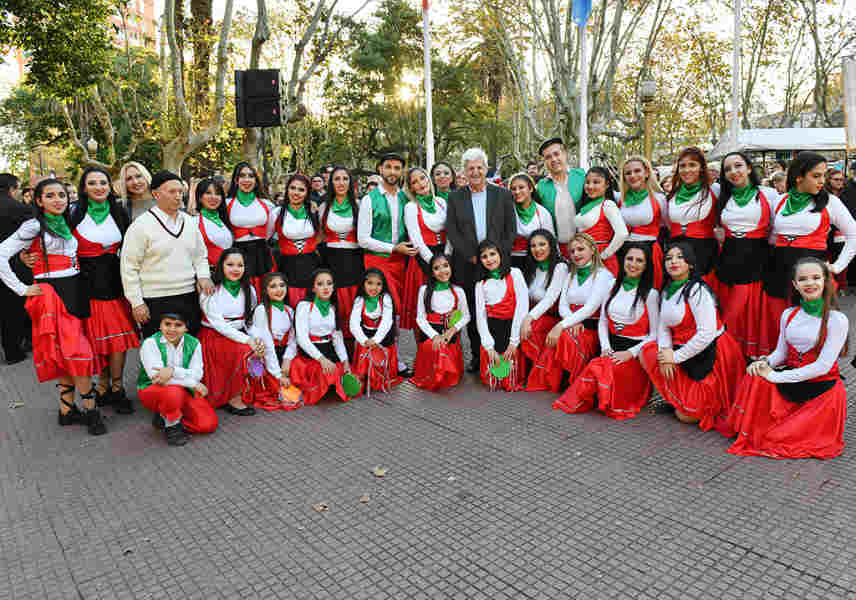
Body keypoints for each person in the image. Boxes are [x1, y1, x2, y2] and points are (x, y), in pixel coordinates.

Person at [0, 179, 106, 435]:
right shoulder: (33, 225)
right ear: (38, 201)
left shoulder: (66, 221)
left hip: (74, 290)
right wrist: (22, 289)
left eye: (61, 195)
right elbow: (1, 253)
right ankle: (91, 410)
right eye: (50, 195)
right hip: (51, 295)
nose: (58, 199)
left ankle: (66, 411)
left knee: (66, 352)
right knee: (76, 351)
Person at [727, 258, 847, 459]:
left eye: (816, 278)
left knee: (773, 439)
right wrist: (764, 363)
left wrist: (775, 377)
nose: (810, 283)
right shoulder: (789, 314)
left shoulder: (837, 320)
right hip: (792, 382)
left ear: (826, 281)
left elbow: (822, 367)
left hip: (821, 392)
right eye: (803, 279)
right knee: (755, 376)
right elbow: (781, 354)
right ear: (795, 285)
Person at [640, 243, 744, 434]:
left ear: (690, 263)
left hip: (711, 353)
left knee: (688, 416)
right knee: (648, 352)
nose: (673, 261)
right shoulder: (666, 290)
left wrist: (675, 358)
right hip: (681, 350)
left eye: (680, 257)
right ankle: (674, 398)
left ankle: (681, 402)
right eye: (669, 258)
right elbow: (664, 327)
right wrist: (665, 353)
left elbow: (706, 334)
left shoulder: (698, 290)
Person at [759, 152, 856, 355]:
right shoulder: (780, 200)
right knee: (780, 324)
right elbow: (772, 238)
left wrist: (837, 266)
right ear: (799, 177)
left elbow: (853, 235)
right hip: (779, 272)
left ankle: (816, 371)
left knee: (813, 328)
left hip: (812, 276)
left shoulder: (830, 201)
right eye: (816, 176)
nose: (822, 181)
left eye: (823, 176)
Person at [553, 243, 658, 419]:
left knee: (598, 368)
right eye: (629, 259)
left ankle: (588, 399)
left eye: (639, 260)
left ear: (647, 265)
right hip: (610, 347)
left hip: (632, 354)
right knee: (599, 367)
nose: (633, 264)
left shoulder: (651, 294)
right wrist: (605, 347)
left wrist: (630, 353)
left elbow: (655, 335)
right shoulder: (612, 285)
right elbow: (603, 321)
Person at [69, 167, 138, 413]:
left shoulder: (120, 211)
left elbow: (132, 247)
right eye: (92, 183)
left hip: (115, 284)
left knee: (118, 342)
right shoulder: (73, 213)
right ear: (84, 187)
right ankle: (102, 387)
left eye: (103, 182)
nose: (99, 187)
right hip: (86, 287)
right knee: (97, 341)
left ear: (110, 186)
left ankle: (117, 389)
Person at [446, 147, 517, 373]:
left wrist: (496, 258)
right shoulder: (455, 197)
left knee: (499, 310)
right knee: (475, 312)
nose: (475, 172)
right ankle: (478, 357)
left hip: (497, 264)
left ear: (486, 169)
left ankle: (500, 355)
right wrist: (473, 256)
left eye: (479, 167)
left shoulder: (503, 195)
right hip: (468, 264)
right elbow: (453, 231)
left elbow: (510, 230)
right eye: (470, 168)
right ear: (464, 171)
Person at [120, 170, 213, 338]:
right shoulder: (140, 226)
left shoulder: (190, 222)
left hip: (189, 297)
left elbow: (200, 256)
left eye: (180, 192)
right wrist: (137, 303)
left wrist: (204, 276)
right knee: (158, 356)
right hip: (154, 299)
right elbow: (129, 267)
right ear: (156, 194)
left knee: (188, 352)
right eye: (172, 191)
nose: (178, 196)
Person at [713, 152, 778, 358]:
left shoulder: (768, 194)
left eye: (738, 165)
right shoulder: (722, 196)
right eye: (728, 169)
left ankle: (748, 356)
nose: (734, 172)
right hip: (729, 258)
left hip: (757, 259)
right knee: (729, 311)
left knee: (746, 312)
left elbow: (777, 226)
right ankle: (730, 357)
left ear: (749, 168)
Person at [358, 153, 415, 376]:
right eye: (388, 167)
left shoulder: (406, 198)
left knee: (396, 312)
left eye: (397, 168)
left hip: (401, 262)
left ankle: (395, 358)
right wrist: (393, 248)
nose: (393, 172)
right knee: (380, 310)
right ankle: (376, 359)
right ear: (380, 169)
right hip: (377, 261)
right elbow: (363, 239)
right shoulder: (369, 199)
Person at [199, 247, 265, 415]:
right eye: (230, 264)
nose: (235, 269)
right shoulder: (210, 291)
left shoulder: (249, 289)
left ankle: (248, 390)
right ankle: (233, 397)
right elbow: (219, 325)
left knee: (259, 349)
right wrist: (247, 341)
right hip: (215, 336)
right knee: (244, 351)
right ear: (221, 266)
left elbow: (249, 320)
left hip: (240, 333)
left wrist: (255, 339)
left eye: (240, 265)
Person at [138, 311, 217, 446]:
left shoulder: (194, 343)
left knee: (208, 424)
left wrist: (173, 370)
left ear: (186, 328)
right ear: (160, 326)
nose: (172, 329)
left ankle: (164, 415)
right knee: (173, 392)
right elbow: (157, 378)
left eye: (178, 325)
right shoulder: (150, 343)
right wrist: (192, 384)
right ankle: (172, 426)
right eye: (167, 324)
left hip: (184, 389)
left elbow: (197, 374)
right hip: (152, 389)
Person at [550, 233, 615, 384]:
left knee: (565, 336)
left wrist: (561, 325)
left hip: (591, 327)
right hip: (573, 324)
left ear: (592, 249)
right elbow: (563, 305)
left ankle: (574, 381)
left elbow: (591, 308)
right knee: (559, 337)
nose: (576, 254)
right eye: (572, 251)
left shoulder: (603, 275)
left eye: (580, 249)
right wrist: (570, 322)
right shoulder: (570, 274)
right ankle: (558, 380)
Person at [290, 268, 352, 405]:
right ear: (312, 288)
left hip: (328, 349)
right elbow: (301, 338)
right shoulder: (304, 306)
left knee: (345, 373)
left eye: (329, 283)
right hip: (311, 352)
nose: (326, 287)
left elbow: (337, 338)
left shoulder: (333, 307)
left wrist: (345, 362)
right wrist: (322, 359)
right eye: (320, 284)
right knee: (326, 372)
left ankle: (330, 384)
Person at [474, 240, 528, 391]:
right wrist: (488, 346)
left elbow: (522, 307)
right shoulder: (480, 284)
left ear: (500, 254)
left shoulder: (515, 273)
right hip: (492, 330)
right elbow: (481, 316)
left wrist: (514, 342)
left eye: (493, 254)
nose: (489, 259)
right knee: (494, 380)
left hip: (513, 327)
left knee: (509, 381)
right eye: (484, 257)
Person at [411, 253, 470, 390]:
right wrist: (434, 336)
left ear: (451, 267)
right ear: (431, 272)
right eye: (437, 268)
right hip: (431, 337)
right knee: (435, 353)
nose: (442, 271)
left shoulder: (458, 291)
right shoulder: (424, 290)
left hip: (450, 337)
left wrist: (452, 331)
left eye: (445, 266)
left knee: (448, 376)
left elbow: (466, 316)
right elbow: (420, 318)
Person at [519, 229, 568, 392]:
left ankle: (540, 374)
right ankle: (516, 372)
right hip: (534, 315)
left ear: (551, 245)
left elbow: (550, 299)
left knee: (531, 329)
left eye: (542, 244)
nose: (537, 249)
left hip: (551, 317)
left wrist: (528, 318)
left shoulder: (560, 267)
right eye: (533, 245)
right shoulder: (531, 266)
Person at [402, 167, 448, 330]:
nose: (420, 183)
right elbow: (416, 240)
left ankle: (449, 349)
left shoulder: (441, 202)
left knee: (448, 304)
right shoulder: (411, 207)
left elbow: (450, 232)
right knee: (426, 307)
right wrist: (436, 264)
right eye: (414, 182)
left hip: (445, 257)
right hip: (424, 261)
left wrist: (447, 259)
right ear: (411, 188)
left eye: (422, 178)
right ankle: (425, 350)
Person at [318, 166, 362, 333]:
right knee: (336, 303)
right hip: (331, 259)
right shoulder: (324, 207)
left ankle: (355, 345)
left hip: (354, 259)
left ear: (351, 182)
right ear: (331, 183)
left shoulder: (359, 205)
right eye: (337, 179)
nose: (341, 182)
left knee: (353, 302)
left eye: (345, 178)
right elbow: (320, 235)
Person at [666, 147, 719, 283]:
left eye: (692, 165)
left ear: (702, 167)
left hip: (704, 253)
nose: (687, 170)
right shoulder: (672, 194)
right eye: (682, 166)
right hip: (675, 254)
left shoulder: (714, 190)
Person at [248, 272, 299, 411]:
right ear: (265, 290)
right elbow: (267, 345)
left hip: (283, 354)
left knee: (298, 373)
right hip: (266, 355)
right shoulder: (261, 310)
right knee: (279, 388)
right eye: (273, 286)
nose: (279, 290)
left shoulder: (290, 311)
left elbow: (293, 340)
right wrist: (278, 374)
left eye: (282, 285)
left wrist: (287, 359)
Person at [270, 173, 322, 307]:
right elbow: (266, 237)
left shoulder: (313, 211)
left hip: (311, 265)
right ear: (287, 190)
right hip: (287, 266)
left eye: (301, 190)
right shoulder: (276, 213)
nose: (296, 193)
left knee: (311, 306)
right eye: (293, 188)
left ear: (307, 193)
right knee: (291, 305)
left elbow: (322, 234)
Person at [225, 162, 275, 295]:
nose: (247, 180)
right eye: (242, 176)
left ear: (256, 180)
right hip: (237, 254)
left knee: (265, 290)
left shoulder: (267, 204)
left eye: (251, 176)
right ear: (236, 180)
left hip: (262, 253)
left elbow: (270, 230)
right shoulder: (227, 203)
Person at [350, 268, 402, 393]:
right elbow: (354, 323)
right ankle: (364, 377)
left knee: (381, 354)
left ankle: (380, 378)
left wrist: (376, 339)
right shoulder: (359, 300)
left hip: (382, 337)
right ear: (363, 284)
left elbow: (387, 321)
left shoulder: (386, 299)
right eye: (370, 283)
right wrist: (364, 340)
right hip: (366, 338)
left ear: (383, 285)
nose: (374, 287)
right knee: (364, 352)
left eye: (378, 284)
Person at [617, 155, 666, 288]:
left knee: (649, 290)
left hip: (649, 250)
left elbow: (666, 226)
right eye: (628, 173)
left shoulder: (659, 198)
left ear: (647, 173)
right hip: (625, 251)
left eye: (637, 171)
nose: (632, 176)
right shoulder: (621, 200)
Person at [0, 173, 33, 364]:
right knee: (14, 309)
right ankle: (15, 350)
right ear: (12, 188)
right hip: (15, 265)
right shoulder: (20, 209)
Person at [536, 138, 586, 258]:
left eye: (556, 154)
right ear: (544, 162)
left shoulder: (582, 176)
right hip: (557, 249)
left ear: (565, 154)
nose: (553, 159)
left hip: (584, 245)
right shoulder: (541, 186)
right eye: (548, 157)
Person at [574, 167, 628, 276]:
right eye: (587, 182)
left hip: (602, 262)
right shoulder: (584, 207)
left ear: (607, 184)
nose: (590, 186)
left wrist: (604, 255)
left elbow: (622, 234)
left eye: (596, 182)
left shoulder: (608, 204)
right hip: (583, 259)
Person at [509, 173, 554, 271]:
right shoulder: (507, 211)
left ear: (530, 189)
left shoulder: (542, 212)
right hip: (512, 261)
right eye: (513, 189)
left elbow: (551, 240)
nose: (517, 192)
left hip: (536, 259)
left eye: (521, 187)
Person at [195, 177, 233, 271]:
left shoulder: (226, 220)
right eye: (208, 193)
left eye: (217, 194)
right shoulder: (193, 222)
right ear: (200, 197)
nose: (213, 197)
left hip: (229, 275)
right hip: (207, 275)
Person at [825, 167, 849, 290]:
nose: (840, 182)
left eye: (842, 179)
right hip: (828, 234)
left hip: (842, 233)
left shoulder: (847, 193)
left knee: (842, 258)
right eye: (836, 179)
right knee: (828, 260)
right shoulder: (824, 196)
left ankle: (841, 286)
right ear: (828, 180)